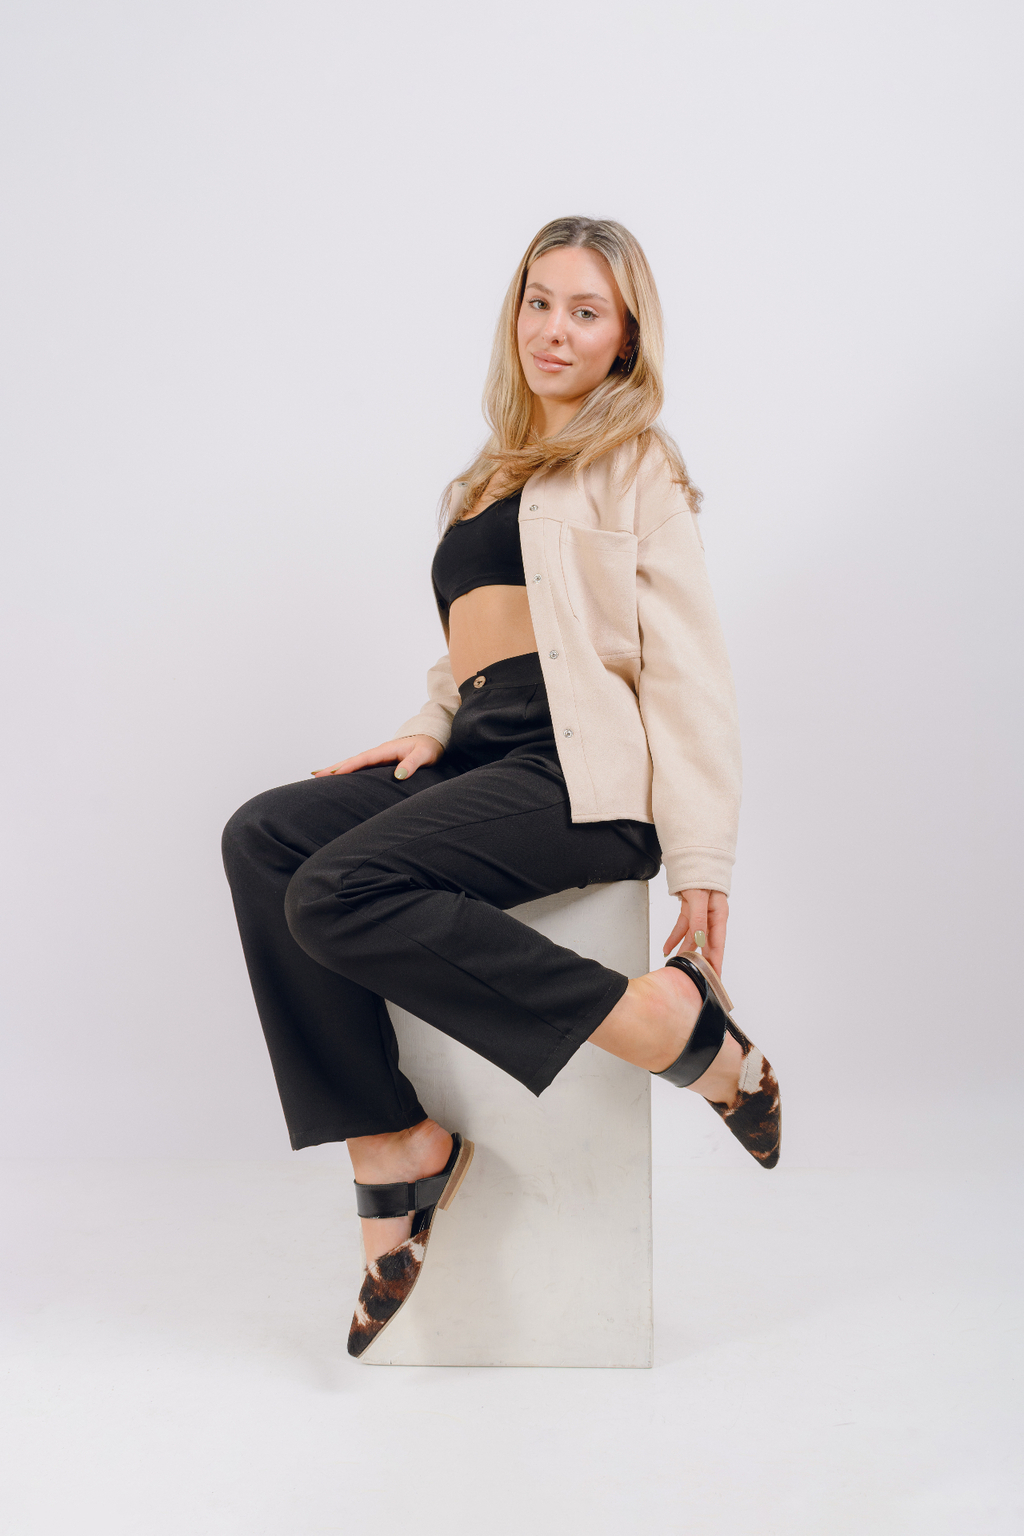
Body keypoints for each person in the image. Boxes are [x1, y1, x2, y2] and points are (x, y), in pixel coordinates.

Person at [221, 216, 780, 1360]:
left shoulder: (636, 464)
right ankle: (394, 1139)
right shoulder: (486, 480)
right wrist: (423, 728)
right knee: (265, 838)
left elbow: (686, 668)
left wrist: (702, 861)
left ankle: (663, 1023)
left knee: (334, 891)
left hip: (578, 775)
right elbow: (469, 655)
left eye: (585, 311)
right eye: (538, 301)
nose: (553, 330)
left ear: (625, 339)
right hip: (482, 753)